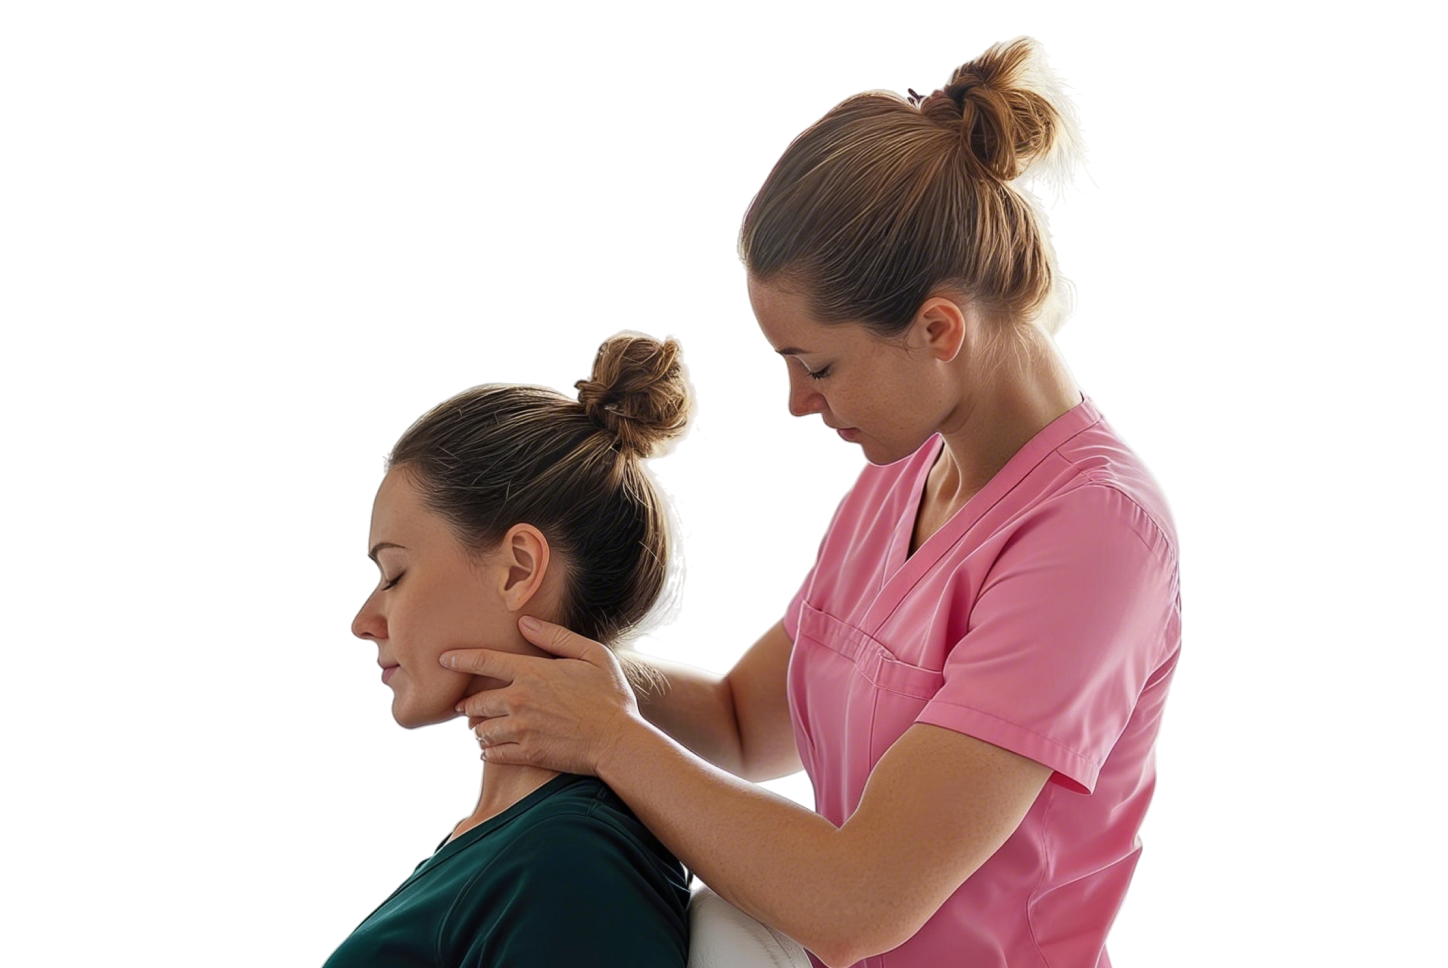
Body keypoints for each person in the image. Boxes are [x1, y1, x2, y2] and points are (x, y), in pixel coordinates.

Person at [444, 35, 1181, 968]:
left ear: (938, 329)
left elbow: (857, 901)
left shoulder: (1094, 539)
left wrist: (612, 739)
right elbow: (743, 724)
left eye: (817, 366)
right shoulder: (902, 474)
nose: (796, 402)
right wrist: (550, 664)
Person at [325, 331, 697, 967]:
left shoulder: (569, 860)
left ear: (518, 568)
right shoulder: (516, 843)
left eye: (394, 574)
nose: (364, 621)